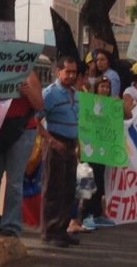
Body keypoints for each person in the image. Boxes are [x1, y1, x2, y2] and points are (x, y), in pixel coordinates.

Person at [0, 71, 44, 237]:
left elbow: (39, 105)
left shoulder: (28, 73)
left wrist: (28, 91)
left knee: (15, 181)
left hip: (22, 130)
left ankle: (11, 225)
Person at [37, 55, 80, 248]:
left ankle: (62, 229)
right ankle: (50, 231)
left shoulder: (75, 93)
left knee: (68, 188)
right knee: (53, 189)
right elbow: (36, 120)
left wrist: (77, 143)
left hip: (71, 144)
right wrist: (51, 141)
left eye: (73, 72)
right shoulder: (50, 94)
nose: (70, 75)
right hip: (55, 143)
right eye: (67, 72)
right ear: (58, 72)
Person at [79, 76, 118, 230]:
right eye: (102, 87)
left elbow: (126, 116)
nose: (105, 90)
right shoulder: (89, 103)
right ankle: (85, 217)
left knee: (100, 183)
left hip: (102, 151)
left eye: (107, 87)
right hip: (89, 150)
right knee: (88, 183)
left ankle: (97, 215)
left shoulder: (110, 105)